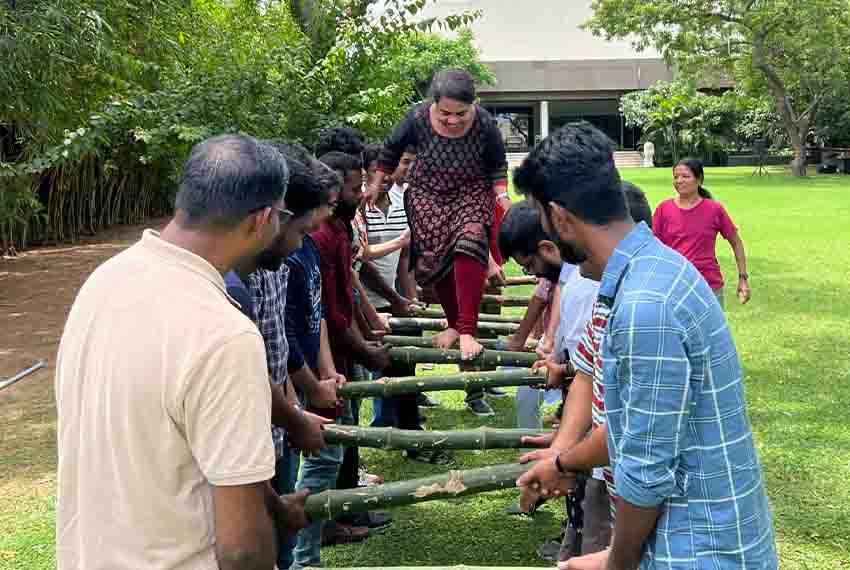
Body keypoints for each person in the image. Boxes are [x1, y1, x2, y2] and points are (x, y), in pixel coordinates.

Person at [515, 122, 778, 570]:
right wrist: (564, 461)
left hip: (695, 550)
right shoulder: (656, 269)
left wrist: (617, 561)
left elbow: (645, 471)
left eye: (542, 218)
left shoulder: (644, 306)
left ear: (559, 218)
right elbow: (638, 427)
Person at [55, 135, 309, 570]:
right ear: (263, 218)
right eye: (283, 217)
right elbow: (242, 550)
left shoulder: (104, 281)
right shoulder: (225, 334)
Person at [517, 182, 654, 568]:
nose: (568, 262)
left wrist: (563, 462)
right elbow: (586, 374)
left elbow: (633, 435)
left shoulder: (647, 306)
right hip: (617, 479)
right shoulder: (607, 291)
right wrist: (563, 448)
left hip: (675, 522)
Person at [367, 68, 511, 361]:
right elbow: (390, 151)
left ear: (473, 105)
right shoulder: (417, 118)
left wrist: (502, 196)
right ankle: (454, 324)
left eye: (461, 113)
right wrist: (375, 183)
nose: (453, 120)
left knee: (469, 243)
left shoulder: (485, 123)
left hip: (471, 192)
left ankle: (468, 329)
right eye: (446, 113)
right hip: (427, 194)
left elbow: (497, 165)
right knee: (433, 261)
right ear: (434, 103)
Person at [314, 150, 394, 531]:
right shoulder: (321, 235)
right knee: (331, 442)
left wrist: (369, 328)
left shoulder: (342, 228)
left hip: (346, 350)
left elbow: (350, 287)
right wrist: (364, 348)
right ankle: (329, 521)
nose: (361, 193)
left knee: (347, 432)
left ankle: (348, 510)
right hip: (325, 359)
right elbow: (328, 313)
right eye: (353, 187)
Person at [653, 158, 751, 308]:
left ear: (699, 180)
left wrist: (742, 278)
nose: (679, 181)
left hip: (708, 286)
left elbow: (736, 242)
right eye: (676, 177)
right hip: (673, 287)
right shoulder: (663, 209)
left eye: (685, 176)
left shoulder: (714, 209)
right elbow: (652, 247)